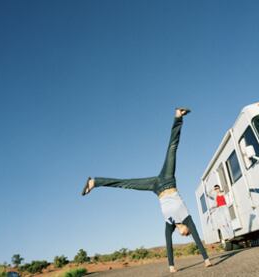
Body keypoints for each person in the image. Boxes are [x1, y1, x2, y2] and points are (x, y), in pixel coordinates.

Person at [81, 108, 212, 273]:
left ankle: (95, 182)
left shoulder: (169, 224)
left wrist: (171, 267)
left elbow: (168, 244)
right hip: (169, 181)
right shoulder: (187, 218)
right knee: (172, 148)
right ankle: (178, 117)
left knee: (127, 184)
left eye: (184, 234)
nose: (185, 234)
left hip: (156, 187)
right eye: (187, 234)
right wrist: (206, 260)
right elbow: (197, 239)